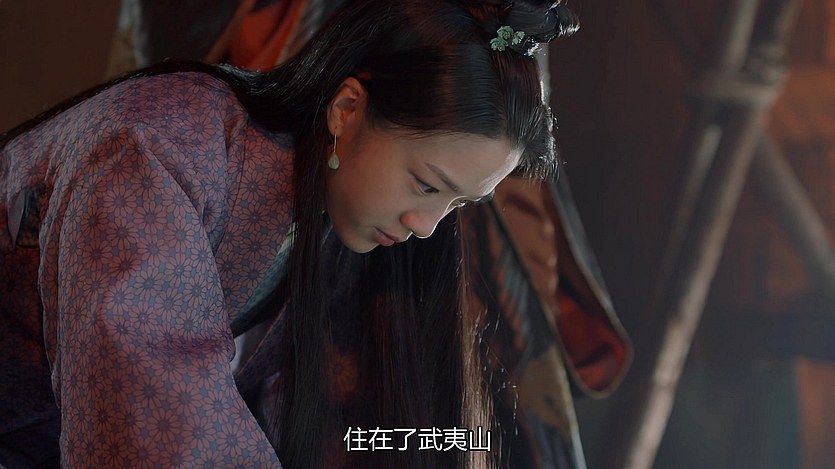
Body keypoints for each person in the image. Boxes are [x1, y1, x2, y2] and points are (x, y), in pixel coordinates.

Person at [0, 0, 579, 467]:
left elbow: (349, 430)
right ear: (347, 109)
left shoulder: (341, 226)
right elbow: (154, 422)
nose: (427, 227)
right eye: (427, 185)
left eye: (458, 205)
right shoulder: (152, 146)